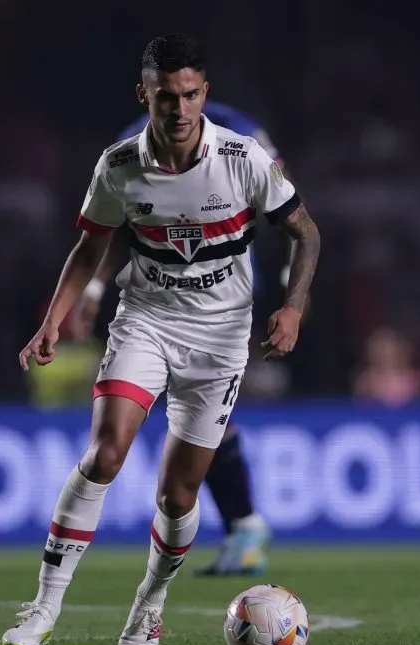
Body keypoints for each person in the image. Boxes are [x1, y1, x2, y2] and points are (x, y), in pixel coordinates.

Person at [1, 33, 321, 645]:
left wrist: (293, 306)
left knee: (177, 497)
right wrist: (54, 318)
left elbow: (307, 233)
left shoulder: (244, 159)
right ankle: (42, 607)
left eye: (191, 95)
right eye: (166, 96)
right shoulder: (118, 166)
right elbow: (91, 246)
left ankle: (148, 608)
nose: (179, 109)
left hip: (221, 339)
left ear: (205, 94)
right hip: (146, 320)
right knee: (104, 454)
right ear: (143, 94)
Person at [69, 101, 294, 577]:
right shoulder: (133, 143)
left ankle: (246, 524)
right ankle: (245, 526)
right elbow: (120, 227)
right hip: (166, 296)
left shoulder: (240, 133)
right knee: (201, 412)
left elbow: (285, 202)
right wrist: (92, 287)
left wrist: (292, 291)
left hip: (224, 290)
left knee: (207, 409)